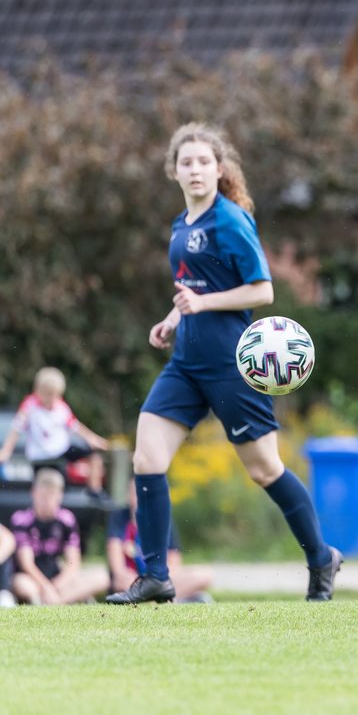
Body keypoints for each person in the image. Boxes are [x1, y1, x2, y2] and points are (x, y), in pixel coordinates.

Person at [106, 122, 341, 604]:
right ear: (174, 170)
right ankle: (154, 576)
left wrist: (201, 306)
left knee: (264, 469)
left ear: (219, 168)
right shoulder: (180, 225)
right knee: (147, 457)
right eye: (186, 162)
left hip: (233, 363)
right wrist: (172, 317)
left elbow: (262, 291)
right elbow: (195, 287)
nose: (195, 170)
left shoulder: (230, 220)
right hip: (186, 363)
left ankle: (321, 557)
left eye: (203, 162)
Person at [0, 366, 111, 500]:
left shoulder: (61, 407)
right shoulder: (29, 406)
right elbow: (15, 430)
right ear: (38, 391)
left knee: (93, 456)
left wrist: (94, 440)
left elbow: (75, 426)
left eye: (54, 395)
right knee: (44, 488)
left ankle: (94, 489)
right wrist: (5, 451)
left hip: (61, 451)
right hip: (40, 456)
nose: (51, 399)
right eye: (47, 394)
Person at [9, 469, 110, 605]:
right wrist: (46, 586)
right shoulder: (21, 520)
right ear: (33, 493)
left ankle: (51, 602)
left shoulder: (66, 520)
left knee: (102, 576)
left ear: (60, 496)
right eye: (43, 495)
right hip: (31, 578)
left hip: (57, 577)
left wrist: (56, 585)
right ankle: (64, 599)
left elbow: (73, 562)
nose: (47, 500)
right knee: (22, 584)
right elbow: (26, 564)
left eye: (51, 495)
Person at [108, 478, 214, 603]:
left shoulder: (163, 520)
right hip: (131, 581)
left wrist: (157, 580)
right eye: (136, 493)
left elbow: (174, 563)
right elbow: (117, 566)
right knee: (118, 580)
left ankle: (155, 598)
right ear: (128, 495)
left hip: (159, 580)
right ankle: (170, 599)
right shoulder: (119, 518)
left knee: (205, 575)